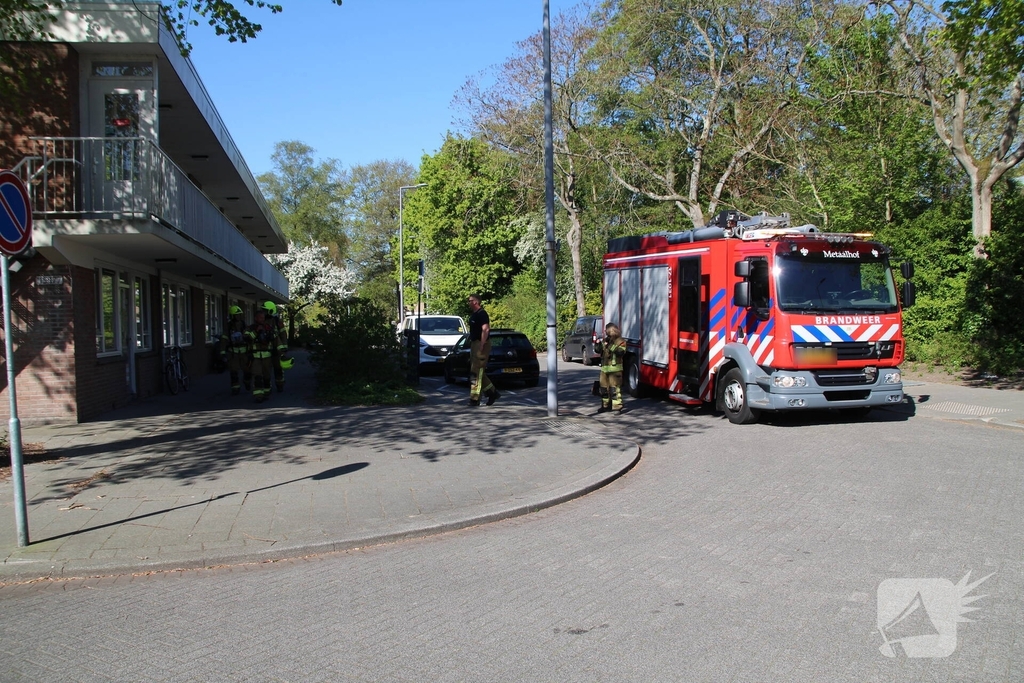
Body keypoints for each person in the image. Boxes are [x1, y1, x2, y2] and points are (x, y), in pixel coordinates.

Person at [467, 294, 499, 407]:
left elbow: (485, 329)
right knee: (478, 371)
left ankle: (475, 399)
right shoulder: (475, 314)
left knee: (476, 373)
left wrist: (482, 344)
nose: (468, 302)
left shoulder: (482, 314)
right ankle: (492, 393)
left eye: (469, 300)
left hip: (481, 344)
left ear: (475, 302)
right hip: (475, 343)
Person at [246, 306, 277, 403]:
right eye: (260, 318)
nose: (262, 320)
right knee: (257, 376)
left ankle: (267, 392)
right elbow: (246, 338)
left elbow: (275, 338)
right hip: (255, 357)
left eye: (263, 318)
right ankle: (258, 396)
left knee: (267, 376)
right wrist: (256, 331)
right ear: (256, 318)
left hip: (267, 356)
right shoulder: (250, 328)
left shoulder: (268, 328)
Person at [218, 305, 251, 395]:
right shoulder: (228, 327)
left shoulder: (244, 325)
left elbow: (250, 336)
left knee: (247, 370)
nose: (238, 317)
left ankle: (247, 382)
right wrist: (223, 352)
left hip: (244, 352)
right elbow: (224, 340)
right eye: (236, 315)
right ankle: (235, 388)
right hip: (233, 353)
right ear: (232, 316)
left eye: (239, 315)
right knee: (233, 372)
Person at [595, 323, 627, 413]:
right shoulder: (605, 340)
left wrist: (609, 345)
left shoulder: (621, 341)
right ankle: (605, 406)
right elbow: (598, 350)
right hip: (604, 370)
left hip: (615, 370)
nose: (605, 332)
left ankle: (617, 407)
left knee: (614, 389)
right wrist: (597, 344)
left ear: (611, 330)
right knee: (603, 389)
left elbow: (620, 352)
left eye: (606, 330)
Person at [262, 301, 288, 392]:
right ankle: (267, 388)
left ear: (270, 311)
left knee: (278, 368)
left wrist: (284, 347)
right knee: (265, 370)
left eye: (265, 310)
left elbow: (283, 334)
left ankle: (280, 384)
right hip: (265, 349)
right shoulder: (261, 321)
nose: (263, 312)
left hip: (277, 350)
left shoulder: (277, 321)